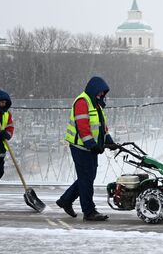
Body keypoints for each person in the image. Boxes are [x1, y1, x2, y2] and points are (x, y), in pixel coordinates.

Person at [56, 76, 118, 221]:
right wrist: (92, 145)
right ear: (93, 90)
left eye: (103, 94)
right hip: (80, 147)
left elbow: (102, 126)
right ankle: (89, 211)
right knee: (86, 179)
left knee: (87, 178)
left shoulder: (95, 104)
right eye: (100, 93)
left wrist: (109, 140)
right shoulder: (82, 102)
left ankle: (65, 200)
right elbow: (83, 127)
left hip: (90, 148)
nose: (101, 96)